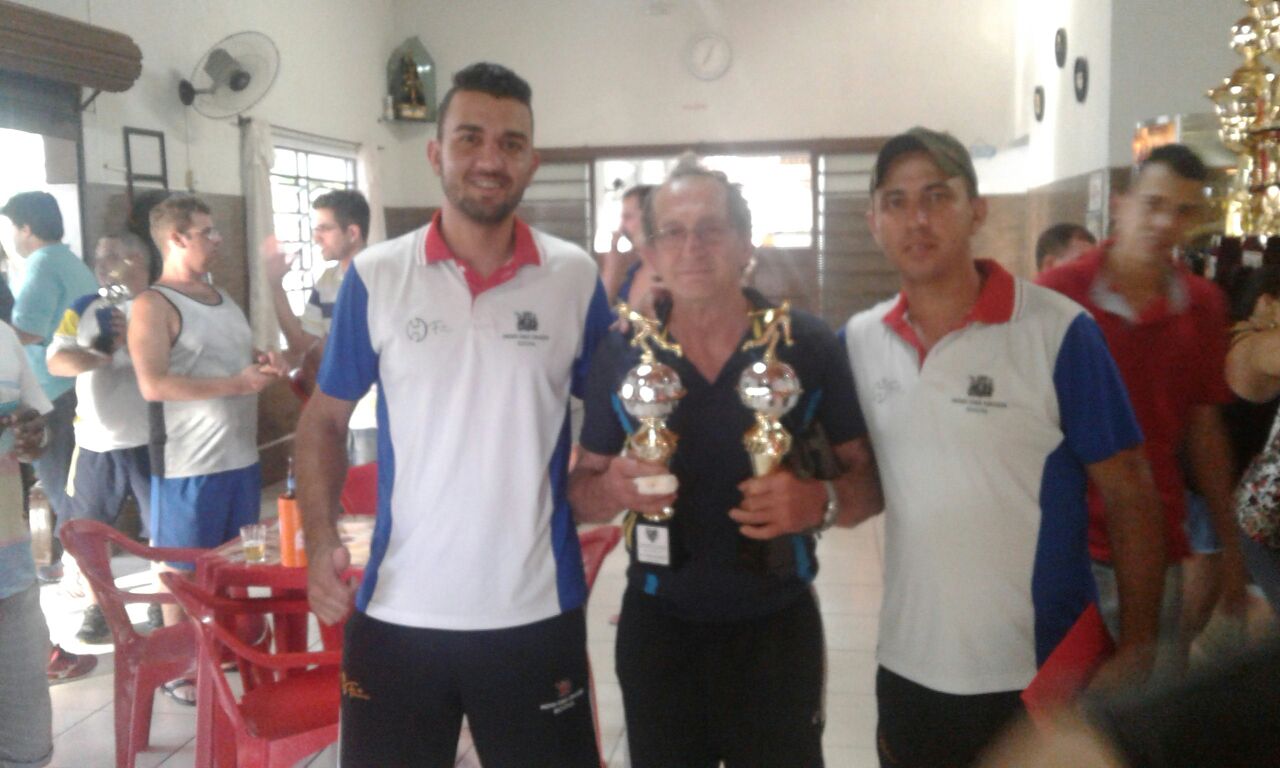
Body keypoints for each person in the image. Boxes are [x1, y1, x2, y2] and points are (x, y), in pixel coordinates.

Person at [297, 62, 611, 766]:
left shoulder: (575, 277)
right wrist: (320, 540)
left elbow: (617, 413)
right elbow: (323, 421)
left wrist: (606, 482)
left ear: (532, 160)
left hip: (533, 613)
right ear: (436, 153)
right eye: (470, 138)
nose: (490, 159)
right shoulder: (376, 276)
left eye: (510, 143)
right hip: (396, 615)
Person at [842, 127, 1165, 767]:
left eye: (937, 196)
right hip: (909, 664)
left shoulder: (1056, 331)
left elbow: (1131, 493)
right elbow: (865, 484)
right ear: (875, 220)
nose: (918, 218)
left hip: (1041, 670)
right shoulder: (860, 340)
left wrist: (1138, 643)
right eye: (898, 202)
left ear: (977, 209)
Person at [569, 158, 881, 767]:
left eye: (711, 228)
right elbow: (580, 491)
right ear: (651, 249)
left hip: (775, 627)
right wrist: (612, 490)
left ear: (744, 241)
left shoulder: (806, 345)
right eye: (674, 231)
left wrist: (821, 502)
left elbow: (868, 481)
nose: (693, 247)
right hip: (658, 627)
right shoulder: (620, 353)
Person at [1038, 144, 1246, 676]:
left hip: (1156, 550)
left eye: (1182, 211)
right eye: (1152, 204)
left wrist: (1229, 549)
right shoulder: (1057, 296)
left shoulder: (1202, 305)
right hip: (1066, 549)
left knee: (1146, 718)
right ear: (1121, 204)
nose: (1164, 222)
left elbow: (1204, 432)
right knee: (1062, 724)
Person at [129, 195, 284, 703]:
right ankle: (183, 666)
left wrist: (258, 362)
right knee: (184, 566)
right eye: (207, 232)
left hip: (239, 456)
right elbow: (153, 384)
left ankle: (228, 649)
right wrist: (237, 385)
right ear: (176, 238)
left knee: (234, 564)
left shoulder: (220, 296)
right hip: (188, 462)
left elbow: (230, 361)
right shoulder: (154, 304)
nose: (217, 240)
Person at [47, 233, 154, 644]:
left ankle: (163, 608)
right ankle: (101, 607)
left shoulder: (159, 305)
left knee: (162, 530)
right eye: (98, 256)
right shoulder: (84, 308)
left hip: (154, 440)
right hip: (95, 443)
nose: (102, 263)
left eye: (113, 256)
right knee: (85, 533)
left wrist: (134, 343)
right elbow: (56, 360)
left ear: (138, 259)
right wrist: (100, 356)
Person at [2, 191, 98, 583]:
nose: (12, 238)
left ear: (27, 229)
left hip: (51, 393)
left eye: (12, 228)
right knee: (70, 486)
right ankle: (78, 567)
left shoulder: (41, 264)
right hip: (79, 386)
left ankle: (83, 576)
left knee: (60, 489)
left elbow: (27, 330)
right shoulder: (74, 263)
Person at [262, 189, 377, 464]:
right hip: (339, 410)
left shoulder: (381, 275)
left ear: (352, 232)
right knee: (348, 499)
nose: (316, 238)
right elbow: (301, 342)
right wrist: (275, 284)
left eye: (325, 229)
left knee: (371, 499)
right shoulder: (328, 279)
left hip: (374, 414)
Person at [0, 319, 62, 768]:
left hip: (10, 571)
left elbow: (33, 430)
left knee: (27, 745)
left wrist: (31, 434)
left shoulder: (2, 337)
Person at [1223, 264, 1280, 614]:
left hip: (1242, 495)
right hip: (1255, 507)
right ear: (1266, 302)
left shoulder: (1236, 334)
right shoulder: (1259, 345)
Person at [600, 184, 663, 314]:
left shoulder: (677, 272)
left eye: (628, 217)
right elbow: (598, 323)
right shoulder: (632, 273)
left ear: (652, 218)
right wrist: (611, 271)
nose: (621, 228)